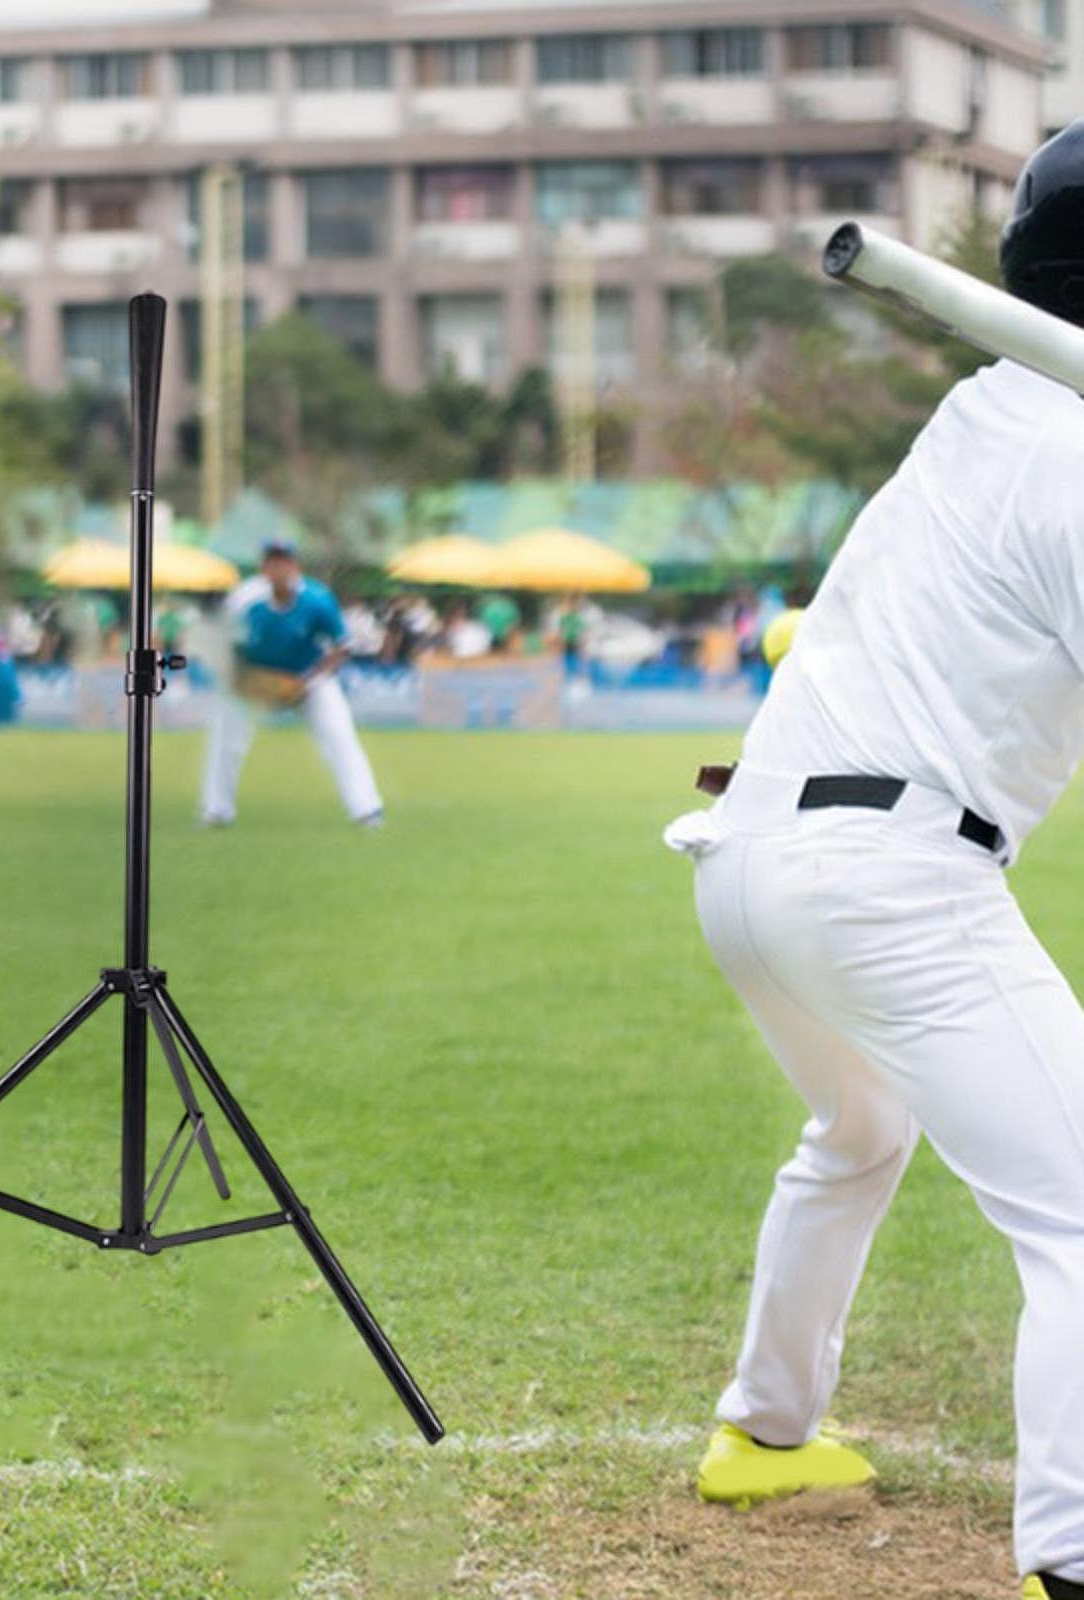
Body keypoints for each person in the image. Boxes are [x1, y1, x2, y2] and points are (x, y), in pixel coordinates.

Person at [664, 122, 1084, 1600]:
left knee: (858, 1134)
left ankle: (766, 1433)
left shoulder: (988, 406)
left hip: (754, 862)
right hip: (889, 880)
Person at [199, 540, 383, 828]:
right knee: (226, 738)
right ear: (263, 567)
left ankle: (366, 809)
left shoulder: (317, 600)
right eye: (272, 561)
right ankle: (217, 810)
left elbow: (342, 647)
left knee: (339, 734)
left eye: (284, 561)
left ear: (296, 567)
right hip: (254, 678)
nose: (278, 567)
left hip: (307, 677)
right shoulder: (245, 600)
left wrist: (308, 682)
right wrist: (249, 684)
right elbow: (227, 647)